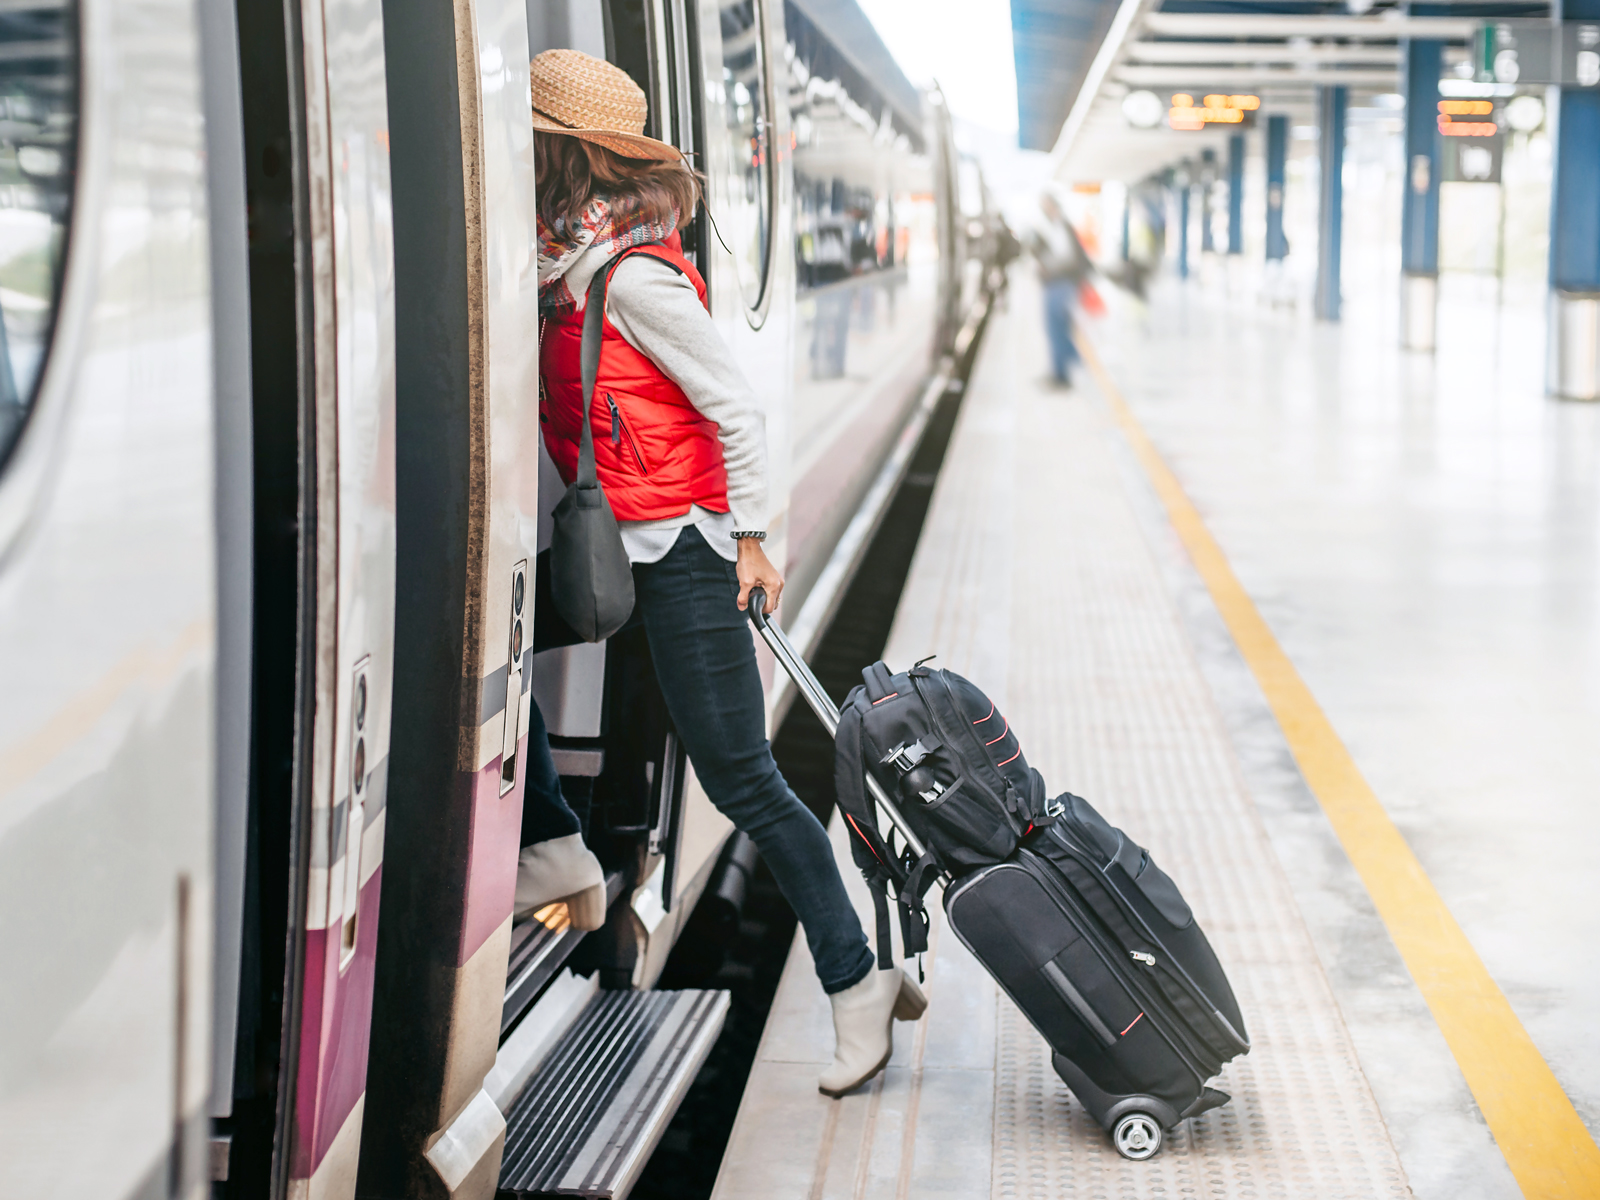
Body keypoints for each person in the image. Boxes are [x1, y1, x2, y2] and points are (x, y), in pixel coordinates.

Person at [512, 47, 925, 1098]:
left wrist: (750, 540)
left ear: (566, 158)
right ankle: (557, 844)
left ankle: (854, 983)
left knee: (745, 778)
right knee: (483, 650)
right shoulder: (568, 265)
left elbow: (735, 408)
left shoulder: (634, 275)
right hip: (629, 554)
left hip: (685, 559)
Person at [1028, 191, 1092, 387]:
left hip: (1060, 284)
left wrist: (1047, 268)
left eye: (1046, 205)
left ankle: (1062, 374)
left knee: (1056, 328)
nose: (1045, 209)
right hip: (1059, 283)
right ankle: (1066, 367)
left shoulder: (1061, 226)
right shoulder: (1058, 226)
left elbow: (1068, 259)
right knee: (1059, 327)